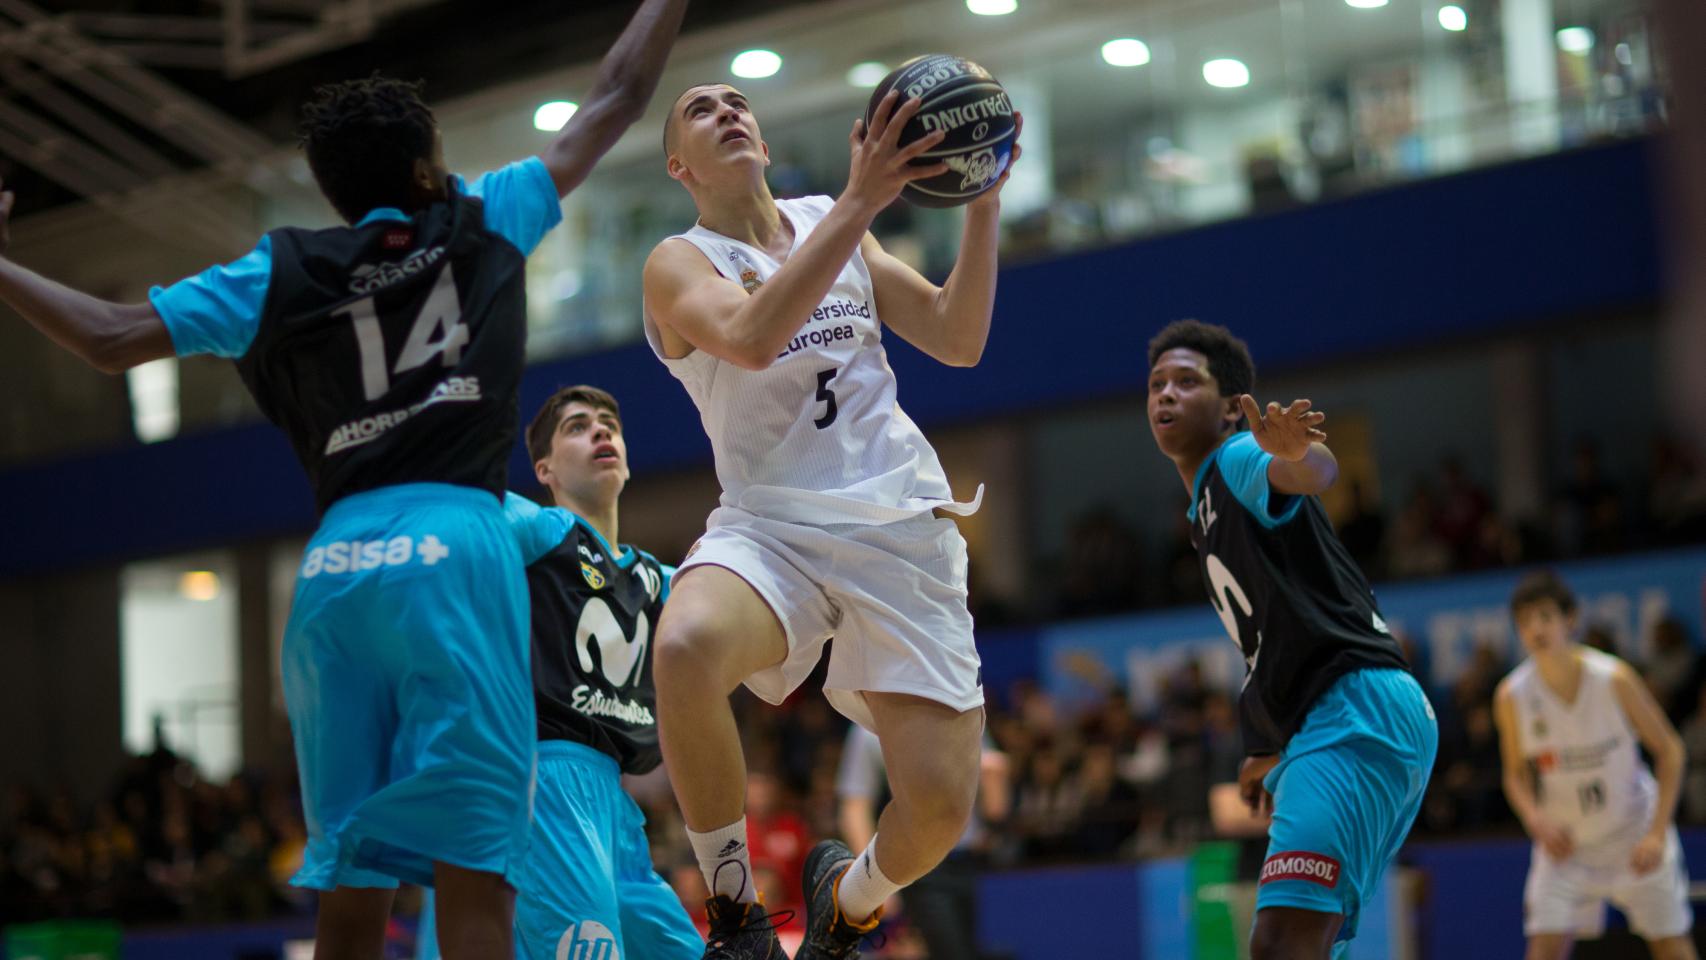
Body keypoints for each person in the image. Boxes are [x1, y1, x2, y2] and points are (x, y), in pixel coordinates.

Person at [0, 4, 689, 955]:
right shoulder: (481, 222)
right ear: (423, 169)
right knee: (476, 874)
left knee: (350, 889)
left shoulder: (277, 269)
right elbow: (614, 96)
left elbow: (109, 338)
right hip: (453, 548)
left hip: (330, 572)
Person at [640, 82, 1021, 959]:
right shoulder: (677, 261)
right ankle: (735, 911)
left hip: (900, 522)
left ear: (765, 144)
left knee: (937, 810)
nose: (728, 110)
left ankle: (849, 903)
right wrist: (860, 202)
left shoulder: (829, 218)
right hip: (770, 527)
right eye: (701, 110)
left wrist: (983, 203)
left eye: (739, 102)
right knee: (685, 644)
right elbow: (747, 337)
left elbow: (956, 338)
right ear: (678, 165)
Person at [1141, 319, 1437, 959]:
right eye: (1157, 383)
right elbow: (1272, 642)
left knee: (1282, 944)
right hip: (1337, 718)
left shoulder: (1236, 459)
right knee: (1308, 944)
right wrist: (1264, 744)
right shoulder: (1202, 513)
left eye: (1186, 382)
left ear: (1227, 411)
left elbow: (1312, 472)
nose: (1165, 393)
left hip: (1356, 712)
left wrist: (1299, 454)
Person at [417, 385, 700, 960]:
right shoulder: (541, 529)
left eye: (608, 424)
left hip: (615, 806)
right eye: (577, 426)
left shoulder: (654, 577)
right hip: (543, 781)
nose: (600, 432)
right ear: (544, 469)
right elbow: (469, 512)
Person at [1494, 570, 1695, 960]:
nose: (1536, 629)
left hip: (1633, 836)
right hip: (1567, 848)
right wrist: (1534, 818)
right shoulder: (1511, 696)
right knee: (1544, 950)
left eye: (1545, 617)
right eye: (1525, 621)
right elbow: (1515, 774)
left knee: (1672, 948)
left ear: (1571, 619)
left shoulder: (1614, 678)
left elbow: (1671, 751)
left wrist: (1656, 833)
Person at [837, 724, 1009, 960]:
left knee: (968, 949)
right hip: (919, 865)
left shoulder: (966, 709)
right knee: (950, 952)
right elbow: (854, 807)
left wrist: (995, 786)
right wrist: (874, 880)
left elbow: (994, 800)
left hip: (965, 859)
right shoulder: (869, 725)